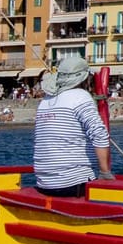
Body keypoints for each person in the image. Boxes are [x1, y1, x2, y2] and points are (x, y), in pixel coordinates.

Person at [31, 56, 111, 197]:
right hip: (73, 183)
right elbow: (99, 135)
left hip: (44, 184)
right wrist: (105, 173)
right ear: (85, 79)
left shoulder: (46, 100)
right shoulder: (80, 96)